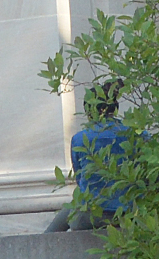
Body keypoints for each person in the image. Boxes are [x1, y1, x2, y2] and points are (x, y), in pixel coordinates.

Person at [48, 83, 131, 232]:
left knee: (67, 213)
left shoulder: (80, 139)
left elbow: (81, 180)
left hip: (91, 214)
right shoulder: (136, 135)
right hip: (129, 212)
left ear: (88, 111)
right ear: (116, 109)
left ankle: (42, 246)